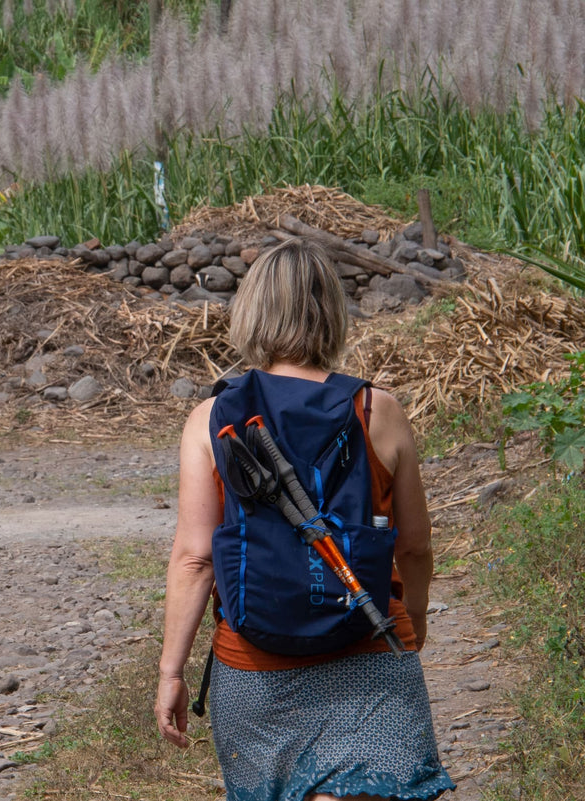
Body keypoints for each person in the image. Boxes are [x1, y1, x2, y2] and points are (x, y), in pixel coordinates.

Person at [155, 239, 454, 801]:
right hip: (368, 649)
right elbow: (414, 548)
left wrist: (172, 673)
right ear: (332, 313)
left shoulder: (212, 419)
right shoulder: (376, 410)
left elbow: (194, 560)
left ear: (251, 313)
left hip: (254, 666)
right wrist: (410, 625)